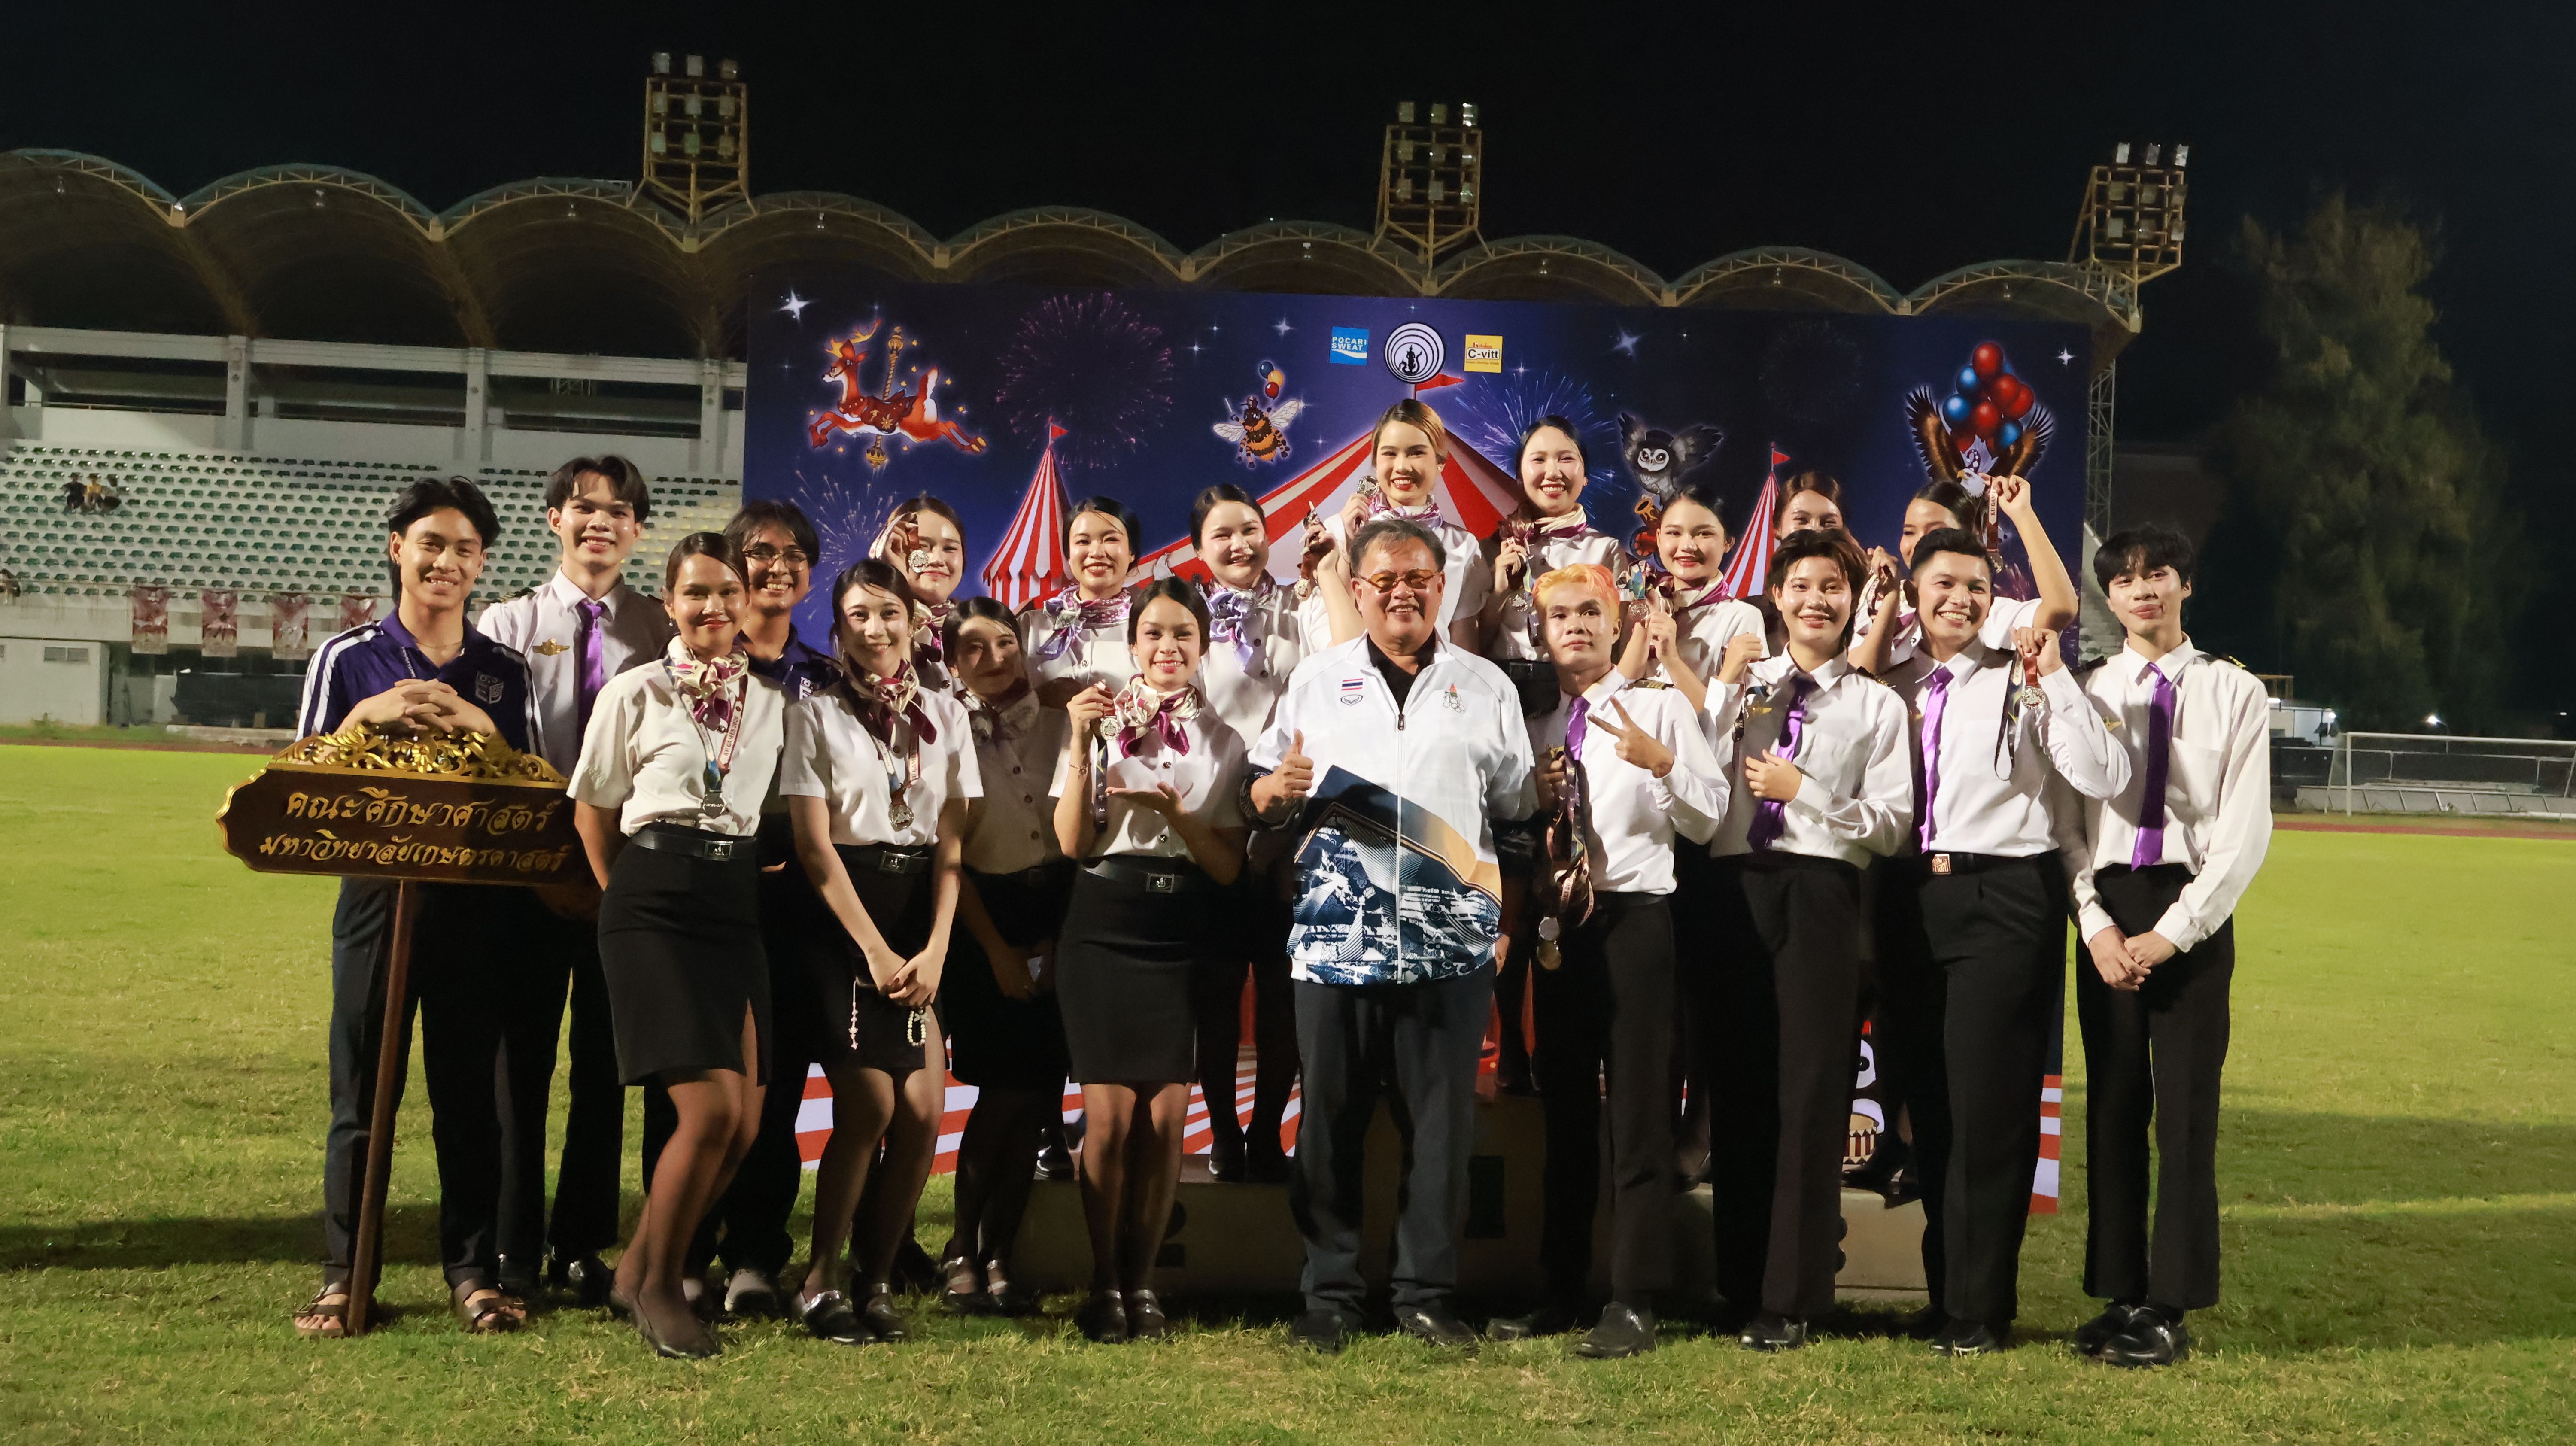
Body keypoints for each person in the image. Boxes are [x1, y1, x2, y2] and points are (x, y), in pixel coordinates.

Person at [1249, 516, 1537, 1355]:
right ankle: (1329, 1294)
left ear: (1443, 588)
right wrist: (1269, 793)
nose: (1402, 592)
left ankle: (1426, 1294)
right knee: (1329, 1121)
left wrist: (1502, 922)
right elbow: (1262, 790)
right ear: (1358, 589)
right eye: (1385, 579)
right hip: (1337, 939)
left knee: (1442, 1128)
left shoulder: (1487, 686)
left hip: (1453, 944)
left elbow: (1516, 814)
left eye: (1419, 578)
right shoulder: (1316, 680)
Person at [291, 475, 537, 1339]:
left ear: (482, 564)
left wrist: (482, 728)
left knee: (469, 1097)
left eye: (465, 549)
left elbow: (531, 800)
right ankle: (346, 1273)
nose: (447, 561)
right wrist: (369, 715)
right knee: (363, 1092)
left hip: (474, 905)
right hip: (376, 897)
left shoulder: (502, 672)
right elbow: (300, 785)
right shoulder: (347, 658)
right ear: (398, 547)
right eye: (432, 543)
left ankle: (473, 1273)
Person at [1873, 528, 2128, 1356]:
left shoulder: (2022, 671)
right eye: (1943, 584)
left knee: (1991, 1108)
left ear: (1994, 599)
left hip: (2006, 895)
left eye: (1976, 587)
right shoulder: (1893, 679)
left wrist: (2053, 678)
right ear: (1915, 594)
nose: (1960, 599)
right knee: (1932, 1108)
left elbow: (2098, 775)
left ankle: (1982, 1308)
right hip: (1912, 897)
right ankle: (1945, 1294)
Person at [1488, 564, 1725, 1359]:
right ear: (1542, 632)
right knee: (1563, 1111)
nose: (1577, 626)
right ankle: (1561, 1288)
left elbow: (1709, 816)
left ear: (1618, 622)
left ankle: (1633, 1296)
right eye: (1560, 615)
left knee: (1638, 1114)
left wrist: (1663, 763)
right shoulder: (1538, 721)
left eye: (1592, 611)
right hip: (1560, 924)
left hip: (1634, 921)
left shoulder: (1657, 705)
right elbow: (1512, 821)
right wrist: (1533, 796)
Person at [568, 533, 787, 1359]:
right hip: (653, 900)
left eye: (728, 591)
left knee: (746, 1121)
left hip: (735, 906)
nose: (713, 607)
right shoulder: (635, 690)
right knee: (710, 1110)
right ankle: (662, 1284)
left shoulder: (772, 702)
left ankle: (633, 1270)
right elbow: (593, 810)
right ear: (669, 604)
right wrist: (622, 900)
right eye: (696, 592)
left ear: (747, 602)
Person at [2065, 523, 2272, 1369]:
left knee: (2185, 1114)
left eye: (2159, 574)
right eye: (2126, 579)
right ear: (2109, 597)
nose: (2144, 589)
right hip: (2109, 914)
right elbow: (2064, 822)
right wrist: (2095, 923)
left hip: (2191, 916)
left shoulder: (2234, 690)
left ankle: (2170, 1305)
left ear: (2186, 584)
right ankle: (2121, 1293)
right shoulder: (2085, 689)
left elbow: (2244, 832)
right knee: (2113, 1108)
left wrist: (2173, 932)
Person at [1700, 528, 1911, 1352]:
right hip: (1734, 893)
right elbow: (1695, 773)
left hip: (1822, 894)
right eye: (1801, 585)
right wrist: (1719, 690)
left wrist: (1806, 791)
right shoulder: (1742, 686)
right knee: (1740, 1088)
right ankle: (1739, 1281)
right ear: (1777, 596)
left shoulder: (1875, 704)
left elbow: (1891, 825)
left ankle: (1791, 1296)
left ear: (1854, 600)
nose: (1816, 599)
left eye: (1833, 586)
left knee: (1812, 1093)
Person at [631, 500, 841, 1319]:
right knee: (684, 1087)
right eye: (759, 552)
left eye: (794, 554)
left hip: (794, 911)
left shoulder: (828, 677)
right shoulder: (692, 666)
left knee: (773, 1090)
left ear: (810, 573)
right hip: (700, 903)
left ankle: (756, 1252)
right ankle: (678, 1256)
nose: (777, 566)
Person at [477, 454, 668, 1310]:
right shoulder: (507, 622)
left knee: (605, 1066)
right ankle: (512, 1244)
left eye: (619, 510)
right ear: (553, 517)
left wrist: (610, 870)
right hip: (526, 876)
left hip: (622, 871)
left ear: (637, 529)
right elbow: (494, 755)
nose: (601, 522)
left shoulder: (661, 627)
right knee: (517, 1066)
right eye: (584, 506)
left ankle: (580, 1242)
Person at [780, 558, 975, 1346]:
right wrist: (875, 949)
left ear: (913, 621)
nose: (875, 628)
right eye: (858, 615)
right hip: (843, 922)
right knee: (870, 1105)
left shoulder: (946, 713)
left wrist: (935, 949)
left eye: (889, 612)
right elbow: (813, 846)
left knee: (925, 1111)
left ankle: (879, 1275)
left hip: (919, 917)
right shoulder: (815, 713)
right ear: (838, 628)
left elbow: (953, 844)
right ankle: (820, 1278)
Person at [1052, 577, 1249, 1343]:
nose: (1168, 648)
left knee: (1166, 1120)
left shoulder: (1225, 740)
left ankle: (1143, 1285)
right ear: (1131, 644)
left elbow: (1227, 868)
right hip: (1103, 924)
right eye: (1154, 634)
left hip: (1182, 928)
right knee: (1108, 1119)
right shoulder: (1096, 720)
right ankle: (1103, 1282)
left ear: (1204, 644)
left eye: (1183, 634)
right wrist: (1078, 744)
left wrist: (1178, 815)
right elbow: (1074, 843)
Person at [937, 598, 1075, 1315]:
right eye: (972, 647)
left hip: (1057, 912)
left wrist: (1056, 938)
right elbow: (950, 857)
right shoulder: (942, 730)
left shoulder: (1062, 721)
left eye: (1004, 643)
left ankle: (1001, 1254)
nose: (992, 658)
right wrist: (996, 951)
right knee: (1004, 1091)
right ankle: (963, 1245)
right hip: (981, 919)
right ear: (952, 662)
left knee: (1038, 1091)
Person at [1187, 483, 1305, 1185]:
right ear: (1199, 548)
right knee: (1218, 995)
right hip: (1215, 830)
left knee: (1285, 995)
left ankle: (1266, 1133)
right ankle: (1225, 1133)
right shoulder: (1184, 619)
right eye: (1222, 535)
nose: (1240, 544)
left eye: (1250, 529)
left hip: (1291, 830)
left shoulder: (1302, 605)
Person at [1302, 400, 1493, 655]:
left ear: (1440, 462)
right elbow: (1339, 646)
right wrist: (1348, 549)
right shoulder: (1337, 533)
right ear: (1376, 461)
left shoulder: (1461, 545)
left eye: (1416, 453)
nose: (1402, 467)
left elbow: (1463, 650)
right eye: (1390, 454)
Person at [1851, 474, 2080, 674]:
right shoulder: (1880, 605)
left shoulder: (1988, 613)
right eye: (1909, 532)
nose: (1920, 542)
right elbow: (1861, 680)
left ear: (1971, 535)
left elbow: (2061, 609)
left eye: (1937, 531)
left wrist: (2022, 513)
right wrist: (1891, 600)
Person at [1482, 416, 1625, 669]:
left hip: (1577, 683)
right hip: (1501, 682)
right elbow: (1473, 643)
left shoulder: (1606, 550)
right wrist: (1500, 594)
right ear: (1519, 475)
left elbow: (1619, 643)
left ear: (1585, 476)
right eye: (1539, 460)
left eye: (1566, 459)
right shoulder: (1494, 549)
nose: (1553, 473)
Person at [1024, 496, 1142, 708]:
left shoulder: (1151, 628)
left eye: (1110, 539)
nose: (1096, 553)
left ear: (1131, 552)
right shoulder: (1030, 626)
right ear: (1069, 555)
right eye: (1083, 542)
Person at [873, 495, 970, 694]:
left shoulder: (977, 628)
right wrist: (895, 581)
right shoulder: (867, 624)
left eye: (950, 549)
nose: (937, 560)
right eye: (922, 547)